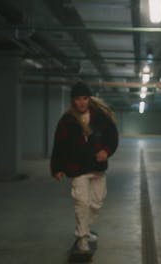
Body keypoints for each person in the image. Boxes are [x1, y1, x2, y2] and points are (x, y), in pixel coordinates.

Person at [50, 81, 119, 252]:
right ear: (73, 100)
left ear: (89, 99)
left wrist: (107, 151)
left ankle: (86, 230)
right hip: (77, 168)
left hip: (97, 167)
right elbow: (59, 145)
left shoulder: (100, 117)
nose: (81, 102)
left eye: (85, 98)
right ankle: (82, 238)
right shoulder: (67, 121)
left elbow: (113, 137)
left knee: (96, 203)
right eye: (77, 99)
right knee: (82, 203)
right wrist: (57, 168)